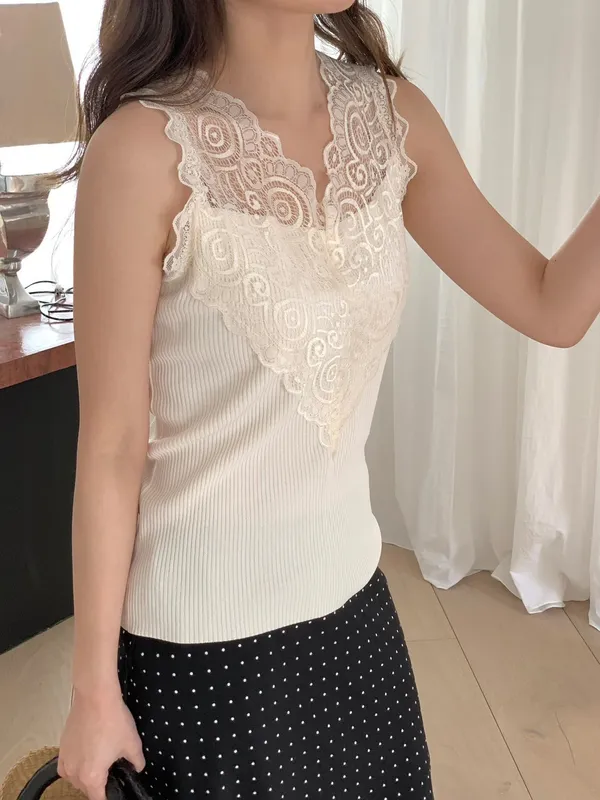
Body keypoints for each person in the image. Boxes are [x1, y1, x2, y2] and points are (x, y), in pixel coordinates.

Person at [57, 0, 600, 798]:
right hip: (202, 653)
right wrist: (91, 692)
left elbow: (553, 307)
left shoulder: (393, 119)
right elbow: (111, 448)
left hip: (356, 617)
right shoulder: (141, 151)